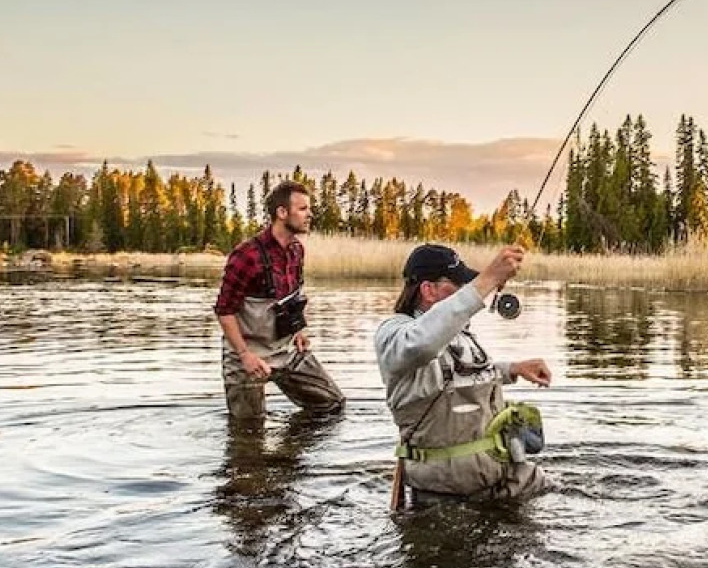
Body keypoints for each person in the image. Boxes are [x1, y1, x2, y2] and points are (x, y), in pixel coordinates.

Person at [375, 243, 552, 506]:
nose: (465, 293)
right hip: (446, 498)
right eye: (458, 285)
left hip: (505, 479)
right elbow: (421, 346)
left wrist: (513, 369)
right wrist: (488, 279)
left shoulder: (461, 335)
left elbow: (462, 377)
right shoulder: (394, 334)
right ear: (428, 290)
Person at [214, 180, 344, 423]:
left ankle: (290, 456)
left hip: (286, 351)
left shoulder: (297, 250)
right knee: (249, 433)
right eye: (303, 209)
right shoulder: (246, 255)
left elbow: (292, 297)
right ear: (282, 213)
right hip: (247, 356)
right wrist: (245, 355)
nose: (310, 215)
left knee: (331, 405)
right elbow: (224, 311)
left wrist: (298, 331)